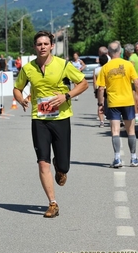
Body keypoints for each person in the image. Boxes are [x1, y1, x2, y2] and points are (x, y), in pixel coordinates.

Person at [13, 31, 88, 218]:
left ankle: (61, 167)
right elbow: (17, 88)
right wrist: (21, 99)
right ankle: (52, 203)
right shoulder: (28, 68)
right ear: (34, 47)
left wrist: (66, 96)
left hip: (61, 118)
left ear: (52, 46)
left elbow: (83, 83)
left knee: (63, 165)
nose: (42, 47)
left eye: (46, 44)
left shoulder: (63, 65)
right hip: (39, 120)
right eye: (39, 44)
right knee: (42, 162)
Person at [96, 41, 138, 168]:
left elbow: (101, 88)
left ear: (108, 53)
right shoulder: (128, 65)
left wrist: (100, 103)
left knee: (115, 131)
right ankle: (134, 158)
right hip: (128, 101)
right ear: (121, 51)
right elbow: (136, 83)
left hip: (113, 102)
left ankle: (117, 158)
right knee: (131, 130)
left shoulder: (105, 68)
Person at [93, 54, 109, 128]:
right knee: (110, 104)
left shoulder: (96, 70)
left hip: (100, 88)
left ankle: (101, 121)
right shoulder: (108, 69)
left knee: (100, 104)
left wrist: (95, 90)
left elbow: (94, 82)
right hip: (109, 88)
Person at [127, 42, 138, 122]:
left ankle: (136, 114)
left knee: (135, 98)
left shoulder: (131, 59)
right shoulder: (136, 56)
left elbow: (131, 70)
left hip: (134, 81)